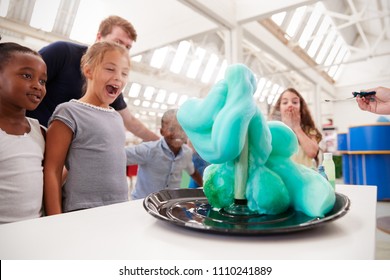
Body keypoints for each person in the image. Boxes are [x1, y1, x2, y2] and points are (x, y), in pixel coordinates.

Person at [27, 15, 159, 141]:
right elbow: (24, 81)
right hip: (30, 136)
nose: (122, 50)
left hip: (62, 150)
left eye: (127, 47)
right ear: (99, 37)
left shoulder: (111, 83)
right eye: (118, 42)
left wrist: (162, 143)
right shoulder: (63, 52)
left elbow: (129, 121)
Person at [44, 41, 130, 215]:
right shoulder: (69, 112)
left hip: (119, 209)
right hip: (83, 211)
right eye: (110, 69)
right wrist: (54, 219)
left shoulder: (116, 117)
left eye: (124, 73)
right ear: (88, 70)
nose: (118, 78)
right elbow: (52, 170)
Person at [0, 42, 47, 224]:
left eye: (42, 81)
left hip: (34, 231)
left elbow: (53, 173)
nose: (38, 86)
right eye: (27, 76)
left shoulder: (41, 132)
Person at [126, 109, 203, 199]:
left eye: (182, 129)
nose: (178, 133)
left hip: (170, 203)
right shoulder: (148, 150)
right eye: (171, 129)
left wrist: (205, 187)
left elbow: (193, 172)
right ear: (162, 131)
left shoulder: (187, 153)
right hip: (143, 204)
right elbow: (118, 157)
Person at [269, 88, 322, 167]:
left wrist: (296, 127)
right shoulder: (273, 130)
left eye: (295, 102)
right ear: (279, 108)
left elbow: (312, 152)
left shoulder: (309, 130)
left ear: (301, 107)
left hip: (305, 177)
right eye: (285, 102)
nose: (290, 105)